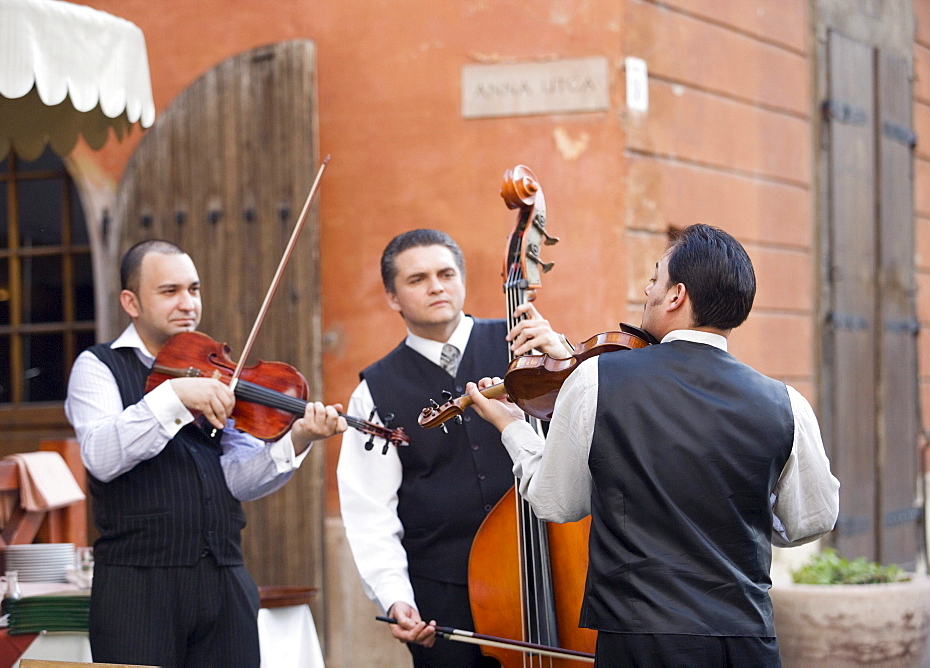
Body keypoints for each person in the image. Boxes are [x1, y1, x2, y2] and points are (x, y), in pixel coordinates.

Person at [467, 224, 840, 667]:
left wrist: (512, 427)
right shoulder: (786, 403)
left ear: (676, 295)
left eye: (655, 277)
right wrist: (753, 517)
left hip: (640, 644)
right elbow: (812, 520)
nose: (646, 290)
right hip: (745, 643)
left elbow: (556, 502)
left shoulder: (598, 379)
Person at [64, 239, 347, 667]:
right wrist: (175, 395)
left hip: (223, 580)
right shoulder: (98, 367)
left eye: (193, 290)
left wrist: (298, 439)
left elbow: (236, 479)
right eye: (169, 291)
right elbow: (102, 456)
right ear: (131, 302)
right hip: (138, 588)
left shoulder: (220, 373)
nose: (187, 304)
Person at [336, 229, 570, 667]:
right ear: (393, 297)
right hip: (443, 596)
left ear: (461, 279)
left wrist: (563, 362)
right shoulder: (375, 391)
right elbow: (371, 510)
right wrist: (394, 597)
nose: (436, 286)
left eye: (446, 273)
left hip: (545, 576)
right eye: (417, 279)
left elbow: (581, 433)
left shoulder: (524, 346)